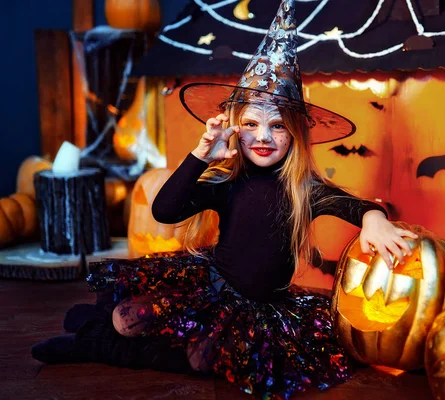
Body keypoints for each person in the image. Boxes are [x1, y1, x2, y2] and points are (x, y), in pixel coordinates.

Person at [31, 0, 417, 397]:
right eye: (251, 124)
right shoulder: (226, 181)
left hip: (262, 308)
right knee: (125, 319)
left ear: (296, 134)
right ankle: (95, 332)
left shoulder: (305, 188)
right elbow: (164, 210)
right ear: (234, 126)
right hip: (213, 288)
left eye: (277, 126)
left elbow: (357, 206)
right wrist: (200, 156)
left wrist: (375, 219)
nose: (263, 137)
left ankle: (100, 343)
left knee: (204, 360)